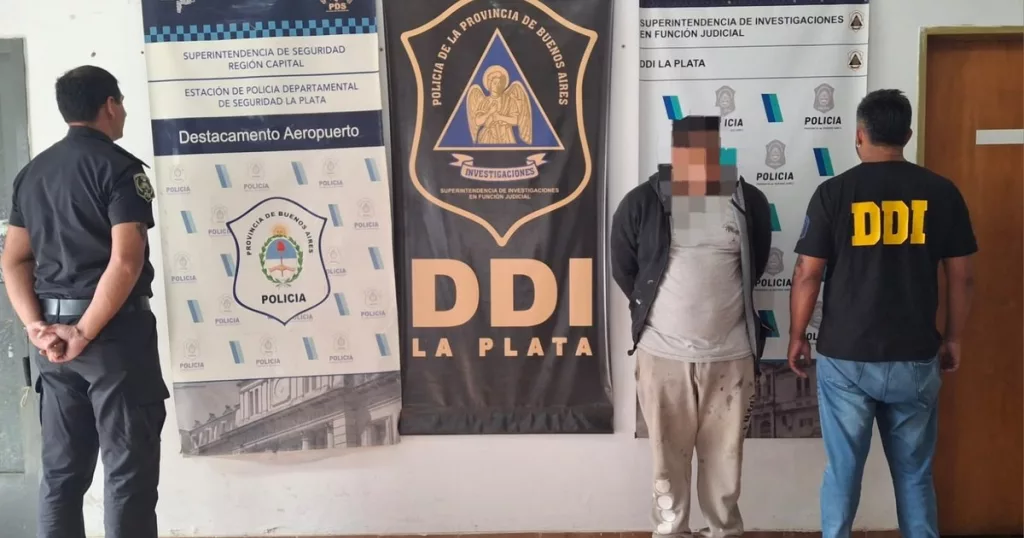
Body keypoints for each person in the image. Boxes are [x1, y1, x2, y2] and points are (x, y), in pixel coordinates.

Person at [788, 88, 977, 538]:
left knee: (843, 471)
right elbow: (962, 277)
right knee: (915, 474)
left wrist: (796, 335)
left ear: (859, 135)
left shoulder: (834, 193)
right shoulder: (942, 192)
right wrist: (953, 338)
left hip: (846, 357)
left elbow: (807, 274)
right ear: (907, 135)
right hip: (915, 355)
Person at [1, 65, 168, 538]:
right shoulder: (119, 169)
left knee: (61, 476)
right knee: (128, 474)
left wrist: (36, 327)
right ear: (110, 105)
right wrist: (84, 331)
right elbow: (126, 262)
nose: (124, 112)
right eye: (122, 104)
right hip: (113, 340)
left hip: (54, 348)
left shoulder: (32, 174)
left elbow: (13, 260)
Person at [611, 115, 772, 537]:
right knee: (667, 466)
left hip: (731, 356)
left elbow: (753, 266)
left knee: (726, 466)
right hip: (663, 356)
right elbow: (625, 268)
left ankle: (724, 532)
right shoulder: (643, 202)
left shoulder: (748, 201)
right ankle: (672, 531)